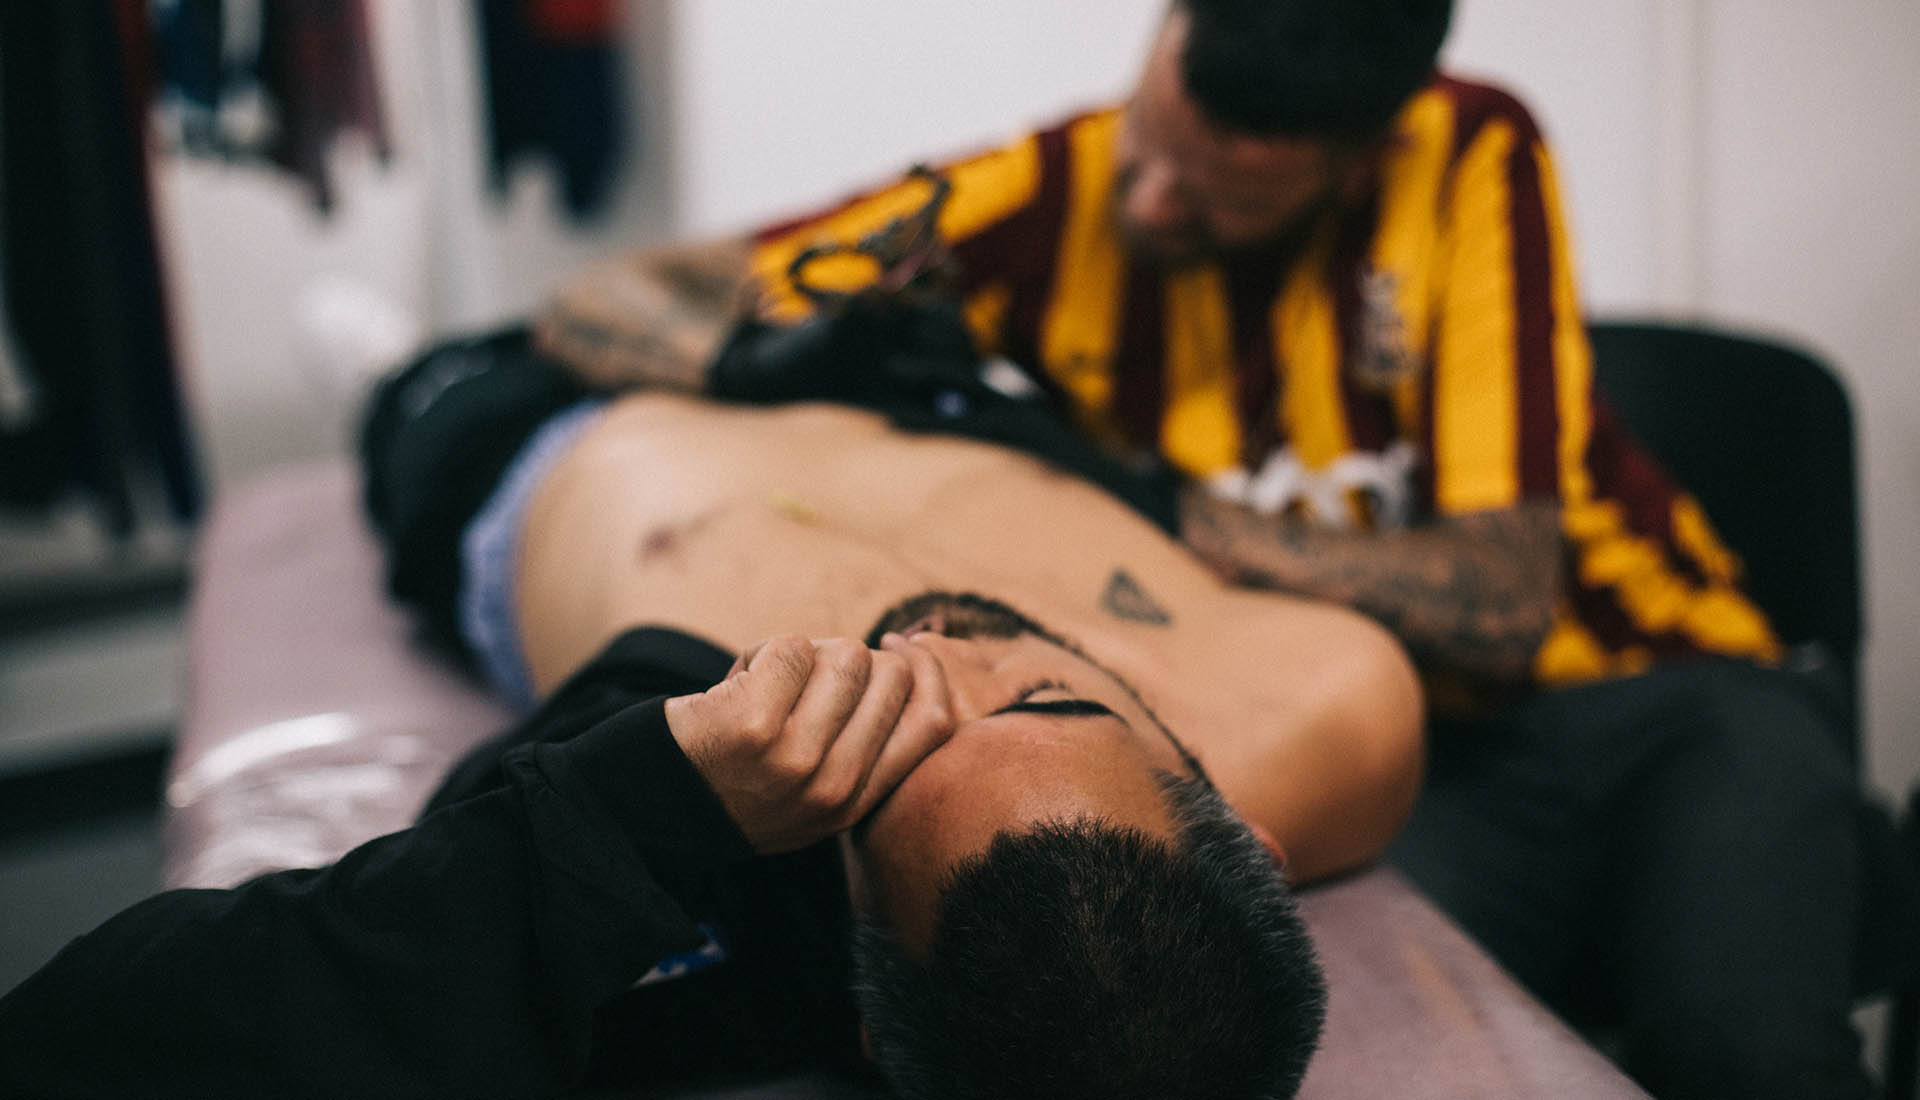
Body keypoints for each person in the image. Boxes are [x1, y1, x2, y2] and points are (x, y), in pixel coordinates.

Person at [527, 2, 1914, 1096]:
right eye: (1153, 149)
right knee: (1271, 1039)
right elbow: (609, 297)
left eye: (1215, 200)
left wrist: (1153, 501)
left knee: (1746, 1061)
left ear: (1358, 155)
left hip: (1668, 705)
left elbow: (1498, 599)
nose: (1149, 207)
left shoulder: (1463, 151)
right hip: (1429, 760)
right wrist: (755, 357)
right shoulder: (1056, 185)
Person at [0, 327, 1423, 1098]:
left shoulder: (740, 911)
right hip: (828, 379)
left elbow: (104, 1043)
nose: (939, 657)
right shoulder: (1326, 712)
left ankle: (373, 353)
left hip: (531, 448)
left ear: (867, 992)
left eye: (894, 764)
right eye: (1050, 699)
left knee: (424, 383)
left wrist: (652, 794)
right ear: (1240, 831)